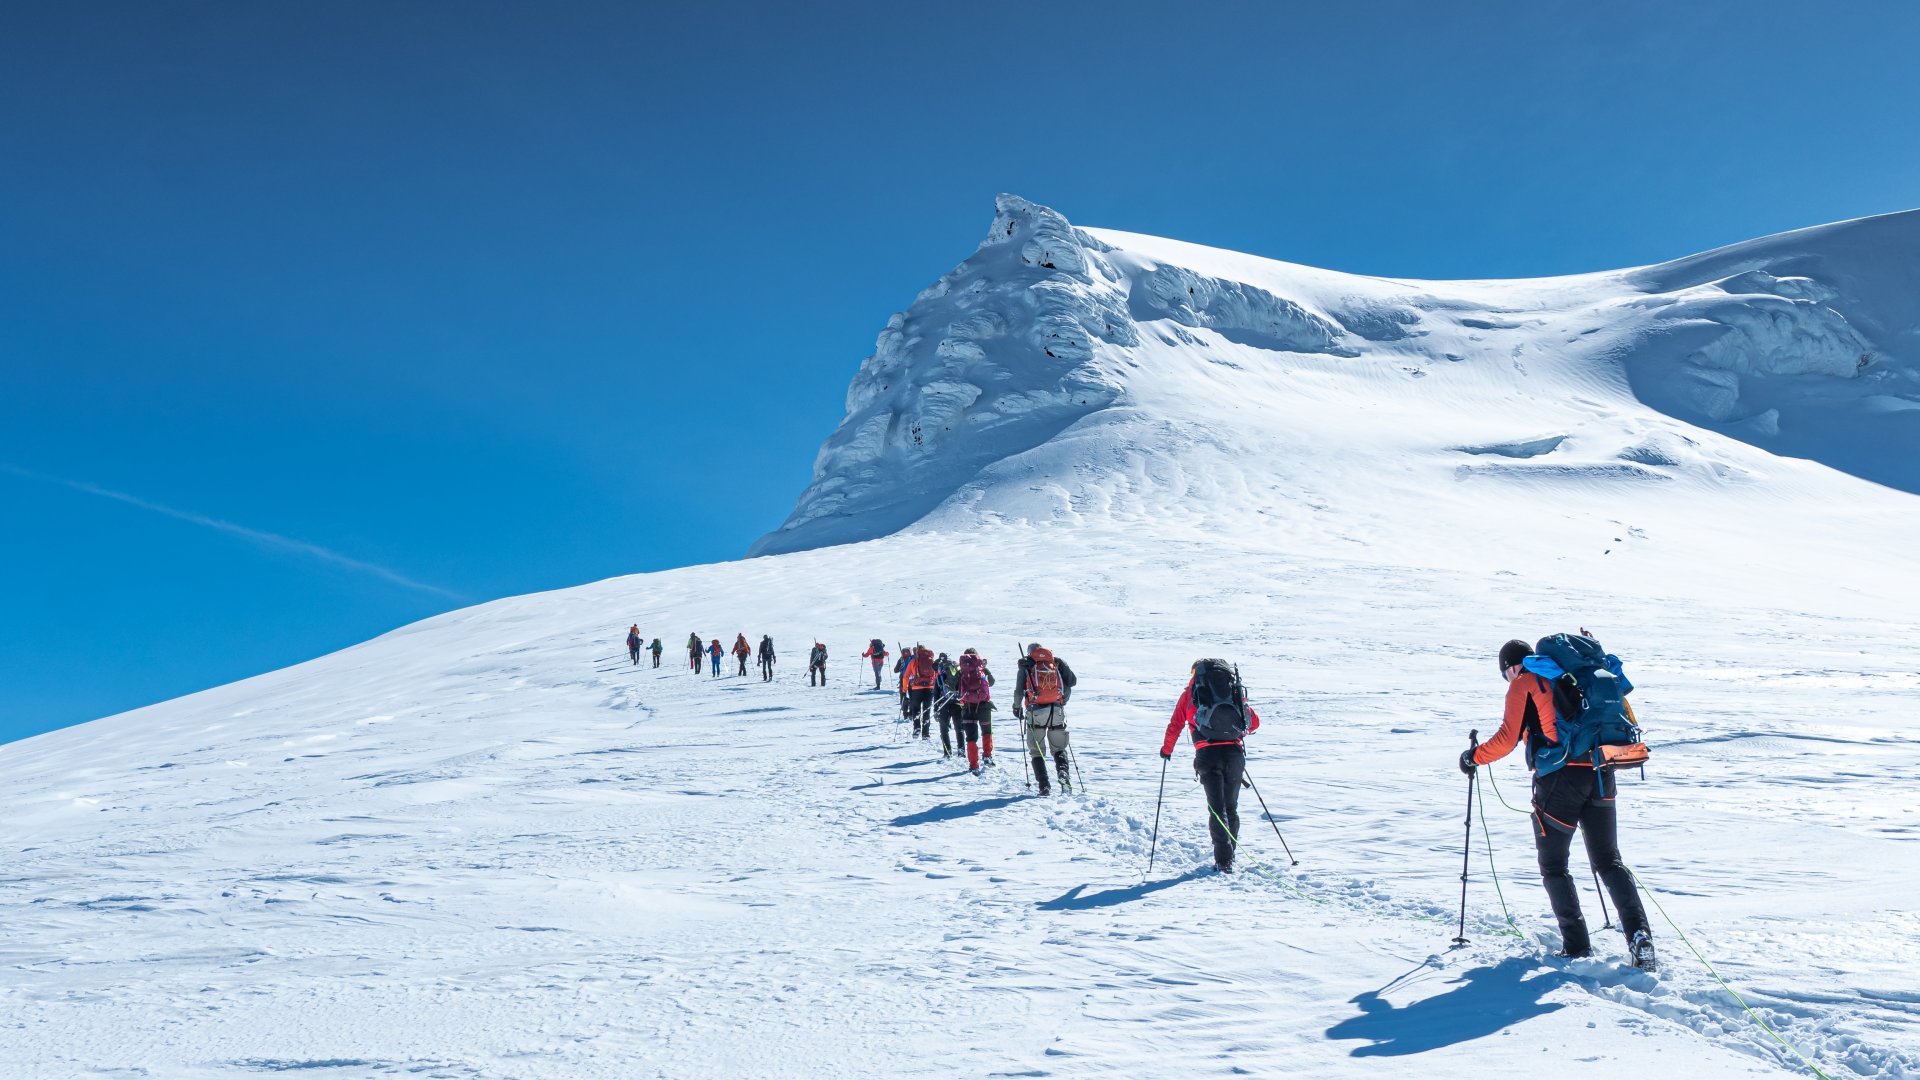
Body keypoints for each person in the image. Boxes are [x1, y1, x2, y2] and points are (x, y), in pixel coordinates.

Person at [1465, 638, 1656, 968]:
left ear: (1512, 666)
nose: (1508, 679)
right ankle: (1640, 936)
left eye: (1505, 674)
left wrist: (1474, 757)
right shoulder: (1573, 675)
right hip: (1601, 771)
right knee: (1609, 860)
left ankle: (1577, 946)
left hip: (1559, 780)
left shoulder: (1526, 681)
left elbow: (1507, 739)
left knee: (1554, 866)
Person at [1160, 659, 1260, 872]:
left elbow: (1175, 724)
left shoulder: (1190, 693)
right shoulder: (1232, 692)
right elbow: (1254, 723)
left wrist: (1166, 751)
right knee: (1231, 808)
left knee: (1217, 810)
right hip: (1234, 754)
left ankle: (1224, 862)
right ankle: (1229, 856)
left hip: (1207, 754)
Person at [1014, 643, 1078, 796]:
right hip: (1057, 710)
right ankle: (1064, 775)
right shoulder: (1055, 662)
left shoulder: (1026, 665)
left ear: (1029, 653)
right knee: (1059, 748)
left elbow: (1018, 691)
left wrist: (1017, 708)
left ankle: (1044, 786)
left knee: (1036, 751)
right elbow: (1072, 682)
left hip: (1035, 712)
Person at [955, 648, 996, 773]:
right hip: (984, 705)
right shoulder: (981, 668)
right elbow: (992, 682)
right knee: (986, 731)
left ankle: (973, 765)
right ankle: (987, 756)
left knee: (971, 737)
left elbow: (955, 687)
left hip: (967, 707)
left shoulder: (961, 670)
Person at [903, 645, 937, 739]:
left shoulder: (914, 661)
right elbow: (937, 674)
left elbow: (906, 676)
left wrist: (904, 689)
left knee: (916, 709)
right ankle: (926, 733)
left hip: (916, 688)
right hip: (929, 688)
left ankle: (917, 728)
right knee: (927, 710)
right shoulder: (932, 660)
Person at [933, 653, 963, 759]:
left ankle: (947, 752)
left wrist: (935, 709)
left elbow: (936, 693)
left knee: (943, 729)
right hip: (957, 702)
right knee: (959, 728)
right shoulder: (957, 670)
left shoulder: (940, 674)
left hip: (943, 703)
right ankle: (961, 750)